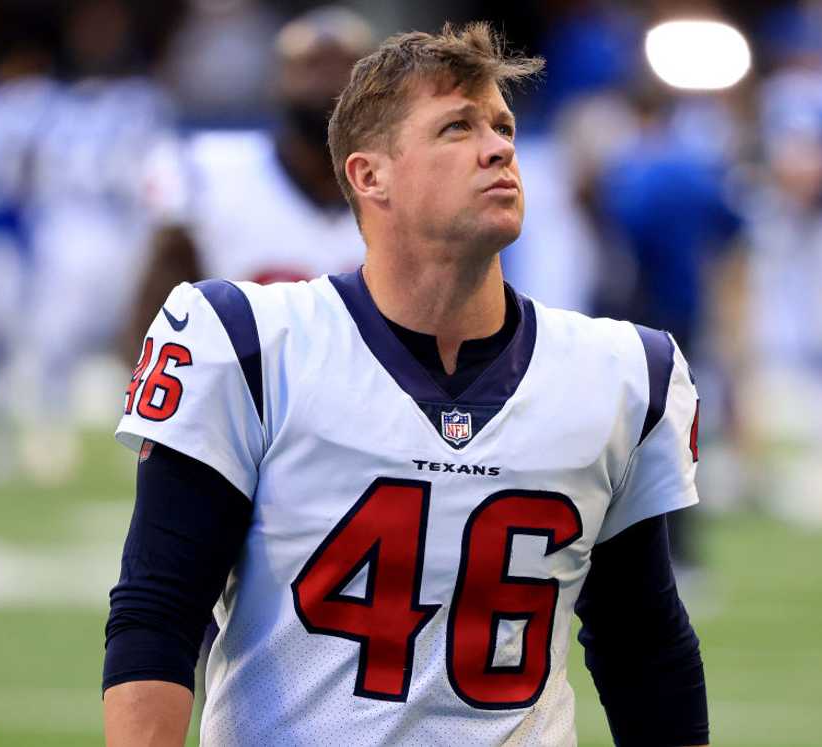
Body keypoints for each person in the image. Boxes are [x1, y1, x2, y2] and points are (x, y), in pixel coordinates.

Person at [103, 22, 708, 747]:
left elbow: (644, 644)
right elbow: (158, 612)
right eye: (457, 127)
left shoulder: (617, 371)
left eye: (503, 125)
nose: (498, 147)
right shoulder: (246, 341)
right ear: (369, 175)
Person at [125, 6, 373, 357]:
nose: (329, 83)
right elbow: (156, 307)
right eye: (312, 66)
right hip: (248, 397)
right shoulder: (208, 171)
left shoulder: (412, 183)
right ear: (278, 81)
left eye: (348, 67)